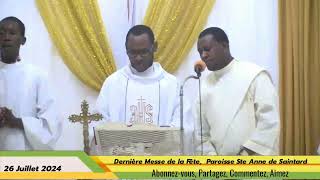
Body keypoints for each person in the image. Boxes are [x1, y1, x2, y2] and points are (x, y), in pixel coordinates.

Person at [194, 27, 280, 155]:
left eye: (207, 49)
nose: (203, 55)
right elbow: (201, 134)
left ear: (224, 45)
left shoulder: (254, 74)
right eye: (200, 52)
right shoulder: (204, 85)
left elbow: (269, 122)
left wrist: (244, 156)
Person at [0, 16, 61, 150]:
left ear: (23, 40)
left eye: (12, 33)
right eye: (1, 33)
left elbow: (51, 126)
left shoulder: (37, 76)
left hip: (26, 160)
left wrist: (17, 121)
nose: (6, 37)